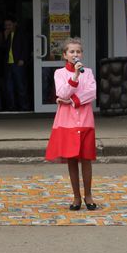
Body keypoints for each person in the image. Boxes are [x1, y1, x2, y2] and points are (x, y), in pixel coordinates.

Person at [45, 37, 98, 211]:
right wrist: (74, 76)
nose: (75, 54)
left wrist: (73, 100)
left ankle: (88, 194)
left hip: (85, 121)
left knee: (86, 159)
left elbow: (91, 92)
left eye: (78, 51)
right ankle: (76, 197)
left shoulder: (88, 72)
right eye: (72, 52)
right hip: (66, 122)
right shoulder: (59, 73)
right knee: (72, 160)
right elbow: (62, 92)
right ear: (65, 55)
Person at [2, 14, 31, 111]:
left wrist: (23, 59)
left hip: (18, 63)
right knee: (9, 86)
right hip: (8, 64)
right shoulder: (6, 34)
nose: (7, 27)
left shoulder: (21, 33)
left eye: (9, 24)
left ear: (15, 24)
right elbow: (2, 49)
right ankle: (12, 107)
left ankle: (24, 106)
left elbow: (25, 47)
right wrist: (5, 37)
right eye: (6, 25)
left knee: (21, 86)